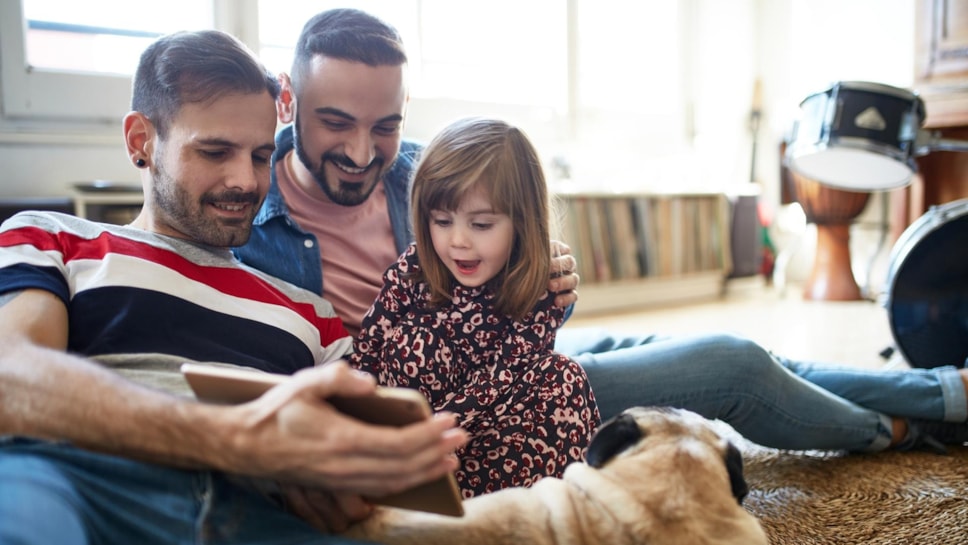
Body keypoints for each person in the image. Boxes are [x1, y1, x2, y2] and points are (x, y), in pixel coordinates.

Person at [234, 7, 968, 458]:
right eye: (336, 123)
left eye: (385, 125)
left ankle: (939, 391)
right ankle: (902, 428)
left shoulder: (426, 175)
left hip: (512, 345)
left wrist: (550, 278)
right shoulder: (245, 217)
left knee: (688, 345)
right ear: (289, 98)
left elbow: (524, 281)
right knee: (731, 363)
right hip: (483, 400)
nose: (364, 151)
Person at [0, 29, 468, 544]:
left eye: (261, 155)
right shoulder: (53, 239)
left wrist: (345, 475)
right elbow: (12, 380)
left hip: (250, 511)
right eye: (215, 152)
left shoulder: (311, 313)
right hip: (78, 483)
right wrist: (236, 440)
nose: (245, 180)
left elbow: (343, 447)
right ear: (141, 142)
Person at [350, 117, 600, 498]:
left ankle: (513, 507)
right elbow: (369, 346)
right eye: (442, 221)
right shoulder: (414, 268)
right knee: (413, 341)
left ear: (522, 222)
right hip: (404, 441)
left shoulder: (540, 285)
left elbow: (506, 376)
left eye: (481, 224)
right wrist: (361, 427)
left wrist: (437, 430)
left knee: (565, 377)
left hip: (487, 432)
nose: (458, 242)